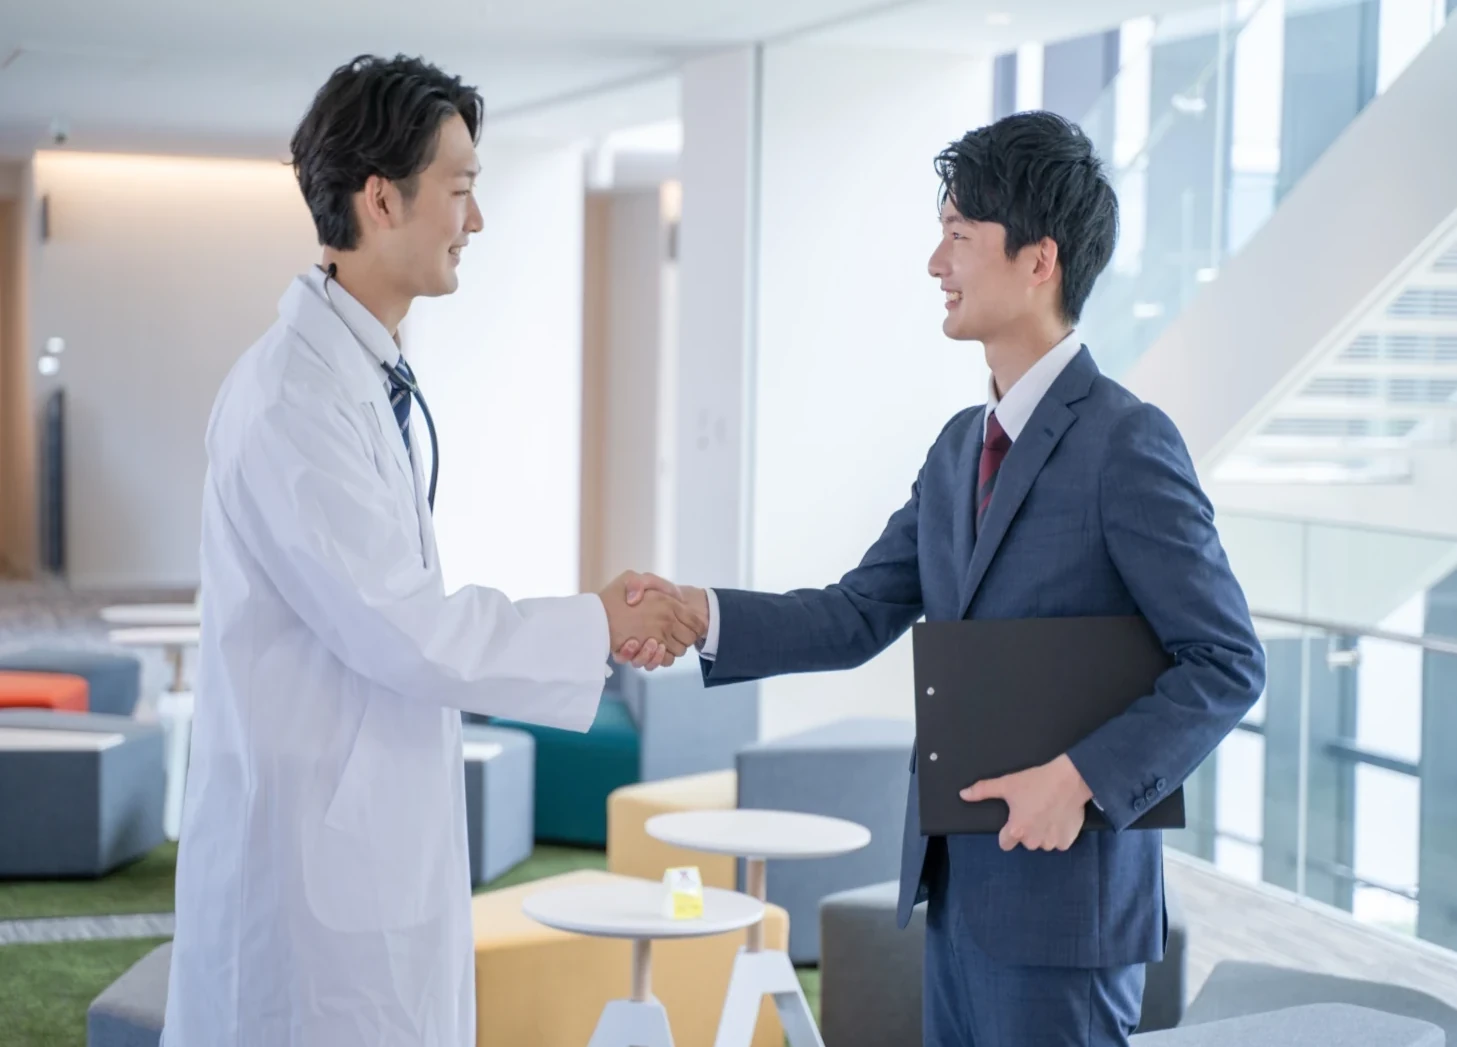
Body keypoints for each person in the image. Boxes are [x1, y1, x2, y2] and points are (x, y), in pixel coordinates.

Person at [622, 111, 1266, 1046]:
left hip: (1063, 913)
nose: (936, 263)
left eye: (958, 236)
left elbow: (1224, 659)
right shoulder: (961, 446)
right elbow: (856, 612)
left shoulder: (1126, 443)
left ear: (1039, 260)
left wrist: (1081, 779)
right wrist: (699, 613)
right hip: (956, 888)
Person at [162, 54, 703, 1047]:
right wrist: (595, 621)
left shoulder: (357, 372)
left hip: (362, 824)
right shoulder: (293, 398)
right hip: (306, 868)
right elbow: (401, 626)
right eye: (460, 191)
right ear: (380, 198)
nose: (476, 221)